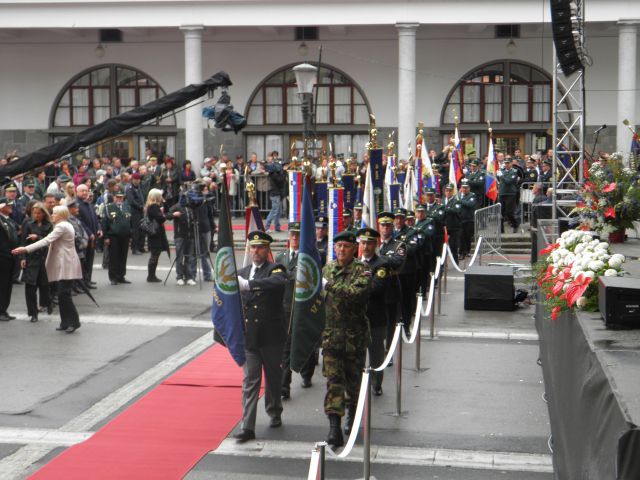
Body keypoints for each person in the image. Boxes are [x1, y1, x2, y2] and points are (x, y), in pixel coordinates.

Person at [234, 231, 288, 443]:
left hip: (272, 336)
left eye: (261, 247)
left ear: (268, 250)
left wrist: (249, 285)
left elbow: (278, 282)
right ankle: (247, 426)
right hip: (251, 337)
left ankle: (274, 410)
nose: (256, 251)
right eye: (253, 247)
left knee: (273, 378)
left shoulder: (275, 268)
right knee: (250, 381)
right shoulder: (243, 271)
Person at [321, 230, 371, 448]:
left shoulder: (363, 270)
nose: (341, 250)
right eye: (338, 246)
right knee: (333, 382)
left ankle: (352, 417)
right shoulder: (327, 269)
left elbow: (354, 293)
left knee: (354, 384)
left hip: (354, 338)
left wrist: (328, 285)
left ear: (354, 249)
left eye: (346, 247)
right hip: (331, 337)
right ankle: (334, 428)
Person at [12, 205, 82, 333]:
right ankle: (65, 322)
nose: (52, 216)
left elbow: (46, 240)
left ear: (61, 215)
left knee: (64, 294)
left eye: (54, 213)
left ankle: (74, 321)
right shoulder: (64, 225)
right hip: (64, 262)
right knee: (62, 294)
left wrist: (26, 249)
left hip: (65, 263)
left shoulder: (62, 226)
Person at [277, 222, 317, 400]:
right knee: (285, 347)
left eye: (298, 235)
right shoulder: (281, 257)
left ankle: (307, 372)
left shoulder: (308, 257)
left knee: (302, 341)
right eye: (292, 235)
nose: (294, 238)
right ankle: (284, 386)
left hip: (301, 307)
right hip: (285, 307)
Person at [358, 227, 390, 400]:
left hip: (375, 318)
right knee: (357, 354)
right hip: (357, 317)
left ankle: (376, 384)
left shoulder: (381, 265)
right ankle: (359, 383)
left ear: (375, 244)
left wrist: (357, 286)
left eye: (370, 243)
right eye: (363, 243)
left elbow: (377, 288)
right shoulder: (355, 263)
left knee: (376, 354)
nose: (366, 246)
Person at [19, 202, 53, 322]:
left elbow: (50, 240)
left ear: (43, 214)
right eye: (34, 213)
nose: (36, 215)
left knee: (44, 285)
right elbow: (23, 242)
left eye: (38, 213)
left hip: (44, 258)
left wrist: (37, 237)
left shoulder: (49, 225)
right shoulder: (28, 224)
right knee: (30, 287)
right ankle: (33, 313)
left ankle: (47, 303)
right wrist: (22, 257)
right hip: (31, 259)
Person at [102, 190, 132, 285]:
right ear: (114, 197)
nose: (119, 199)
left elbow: (130, 222)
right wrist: (106, 237)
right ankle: (113, 277)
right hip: (113, 236)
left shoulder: (127, 207)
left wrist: (130, 235)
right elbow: (104, 223)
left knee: (123, 257)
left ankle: (121, 276)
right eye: (117, 197)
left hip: (125, 236)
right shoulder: (108, 207)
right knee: (114, 257)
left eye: (121, 197)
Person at [0, 196, 19, 321]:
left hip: (11, 257)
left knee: (8, 285)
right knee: (2, 285)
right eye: (8, 205)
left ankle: (4, 309)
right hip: (2, 257)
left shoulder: (9, 220)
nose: (11, 207)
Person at [144, 188, 169, 283]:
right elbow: (161, 218)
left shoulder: (154, 206)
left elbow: (166, 211)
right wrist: (164, 216)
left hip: (156, 233)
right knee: (155, 254)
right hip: (155, 233)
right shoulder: (153, 206)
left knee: (156, 253)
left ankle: (152, 275)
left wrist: (164, 202)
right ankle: (151, 275)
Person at [498, 158, 520, 233]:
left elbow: (509, 181)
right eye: (505, 163)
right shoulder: (502, 171)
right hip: (502, 193)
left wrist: (501, 176)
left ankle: (515, 224)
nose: (506, 165)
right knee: (500, 212)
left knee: (509, 212)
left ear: (511, 164)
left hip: (510, 194)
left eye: (508, 163)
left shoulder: (514, 171)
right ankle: (501, 230)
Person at [126, 172, 146, 254]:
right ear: (133, 179)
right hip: (134, 211)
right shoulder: (130, 188)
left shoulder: (138, 187)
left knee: (142, 229)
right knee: (136, 230)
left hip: (140, 211)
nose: (138, 181)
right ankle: (135, 248)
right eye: (137, 179)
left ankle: (141, 247)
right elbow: (132, 201)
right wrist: (141, 207)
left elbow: (141, 197)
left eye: (139, 180)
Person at [457, 180, 477, 259]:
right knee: (461, 237)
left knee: (468, 237)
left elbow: (470, 204)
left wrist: (460, 201)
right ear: (461, 188)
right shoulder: (458, 195)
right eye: (463, 188)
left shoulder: (472, 195)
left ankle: (467, 251)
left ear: (469, 188)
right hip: (460, 219)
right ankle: (462, 253)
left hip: (469, 219)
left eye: (466, 188)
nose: (464, 189)